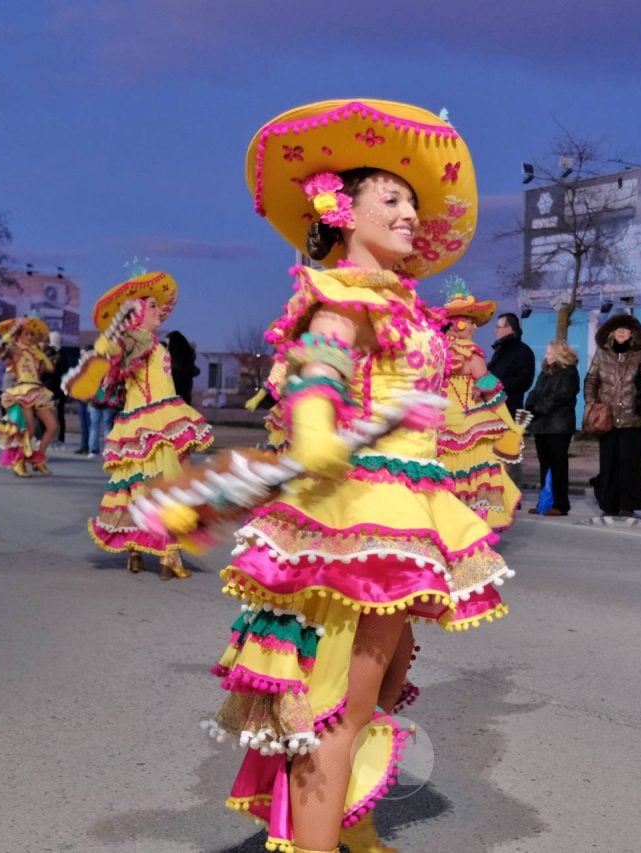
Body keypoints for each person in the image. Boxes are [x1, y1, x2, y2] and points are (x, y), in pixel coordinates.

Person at [163, 99, 515, 853]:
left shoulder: (408, 308)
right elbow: (317, 374)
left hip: (407, 512)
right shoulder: (342, 296)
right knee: (335, 708)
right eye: (391, 198)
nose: (409, 214)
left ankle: (349, 826)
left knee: (381, 688)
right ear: (342, 211)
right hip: (355, 520)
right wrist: (318, 428)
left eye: (413, 202)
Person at [86, 269, 213, 576]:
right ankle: (170, 555)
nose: (161, 311)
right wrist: (114, 336)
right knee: (166, 486)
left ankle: (136, 551)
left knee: (145, 487)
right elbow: (109, 352)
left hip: (159, 419)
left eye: (159, 306)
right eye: (153, 306)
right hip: (152, 423)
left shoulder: (155, 344)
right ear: (138, 313)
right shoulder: (135, 341)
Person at [437, 278, 523, 530]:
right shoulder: (471, 352)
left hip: (441, 425)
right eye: (471, 321)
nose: (475, 327)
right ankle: (475, 528)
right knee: (480, 476)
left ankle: (450, 528)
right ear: (457, 323)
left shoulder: (435, 350)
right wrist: (510, 425)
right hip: (470, 424)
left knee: (448, 477)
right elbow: (491, 392)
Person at [584, 314, 641, 517]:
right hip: (607, 416)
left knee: (630, 463)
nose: (622, 332)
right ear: (611, 332)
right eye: (618, 328)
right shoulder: (602, 354)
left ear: (632, 333)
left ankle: (628, 505)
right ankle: (609, 503)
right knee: (608, 462)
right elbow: (591, 380)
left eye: (626, 329)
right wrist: (592, 403)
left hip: (632, 415)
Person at [0, 314, 58, 477]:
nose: (30, 337)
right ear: (19, 335)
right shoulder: (14, 349)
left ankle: (38, 459)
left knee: (52, 426)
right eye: (27, 334)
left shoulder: (36, 352)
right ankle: (19, 462)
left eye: (32, 334)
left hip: (37, 390)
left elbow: (50, 369)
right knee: (28, 428)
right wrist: (6, 341)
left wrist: (42, 355)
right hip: (22, 390)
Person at [524, 338, 580, 517]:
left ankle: (560, 504)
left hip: (558, 426)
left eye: (549, 353)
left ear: (558, 354)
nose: (546, 356)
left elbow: (560, 397)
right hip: (541, 425)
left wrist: (538, 409)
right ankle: (545, 502)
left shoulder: (569, 373)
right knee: (545, 465)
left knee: (558, 465)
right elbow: (535, 391)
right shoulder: (546, 371)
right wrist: (530, 405)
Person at [487, 311, 535, 415]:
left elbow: (524, 382)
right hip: (494, 407)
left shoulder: (523, 351)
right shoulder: (501, 349)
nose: (495, 330)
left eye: (498, 327)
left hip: (509, 408)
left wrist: (498, 384)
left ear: (509, 328)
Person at [165, 329, 200, 402]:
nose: (166, 348)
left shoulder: (176, 364)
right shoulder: (185, 361)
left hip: (176, 401)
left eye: (168, 345)